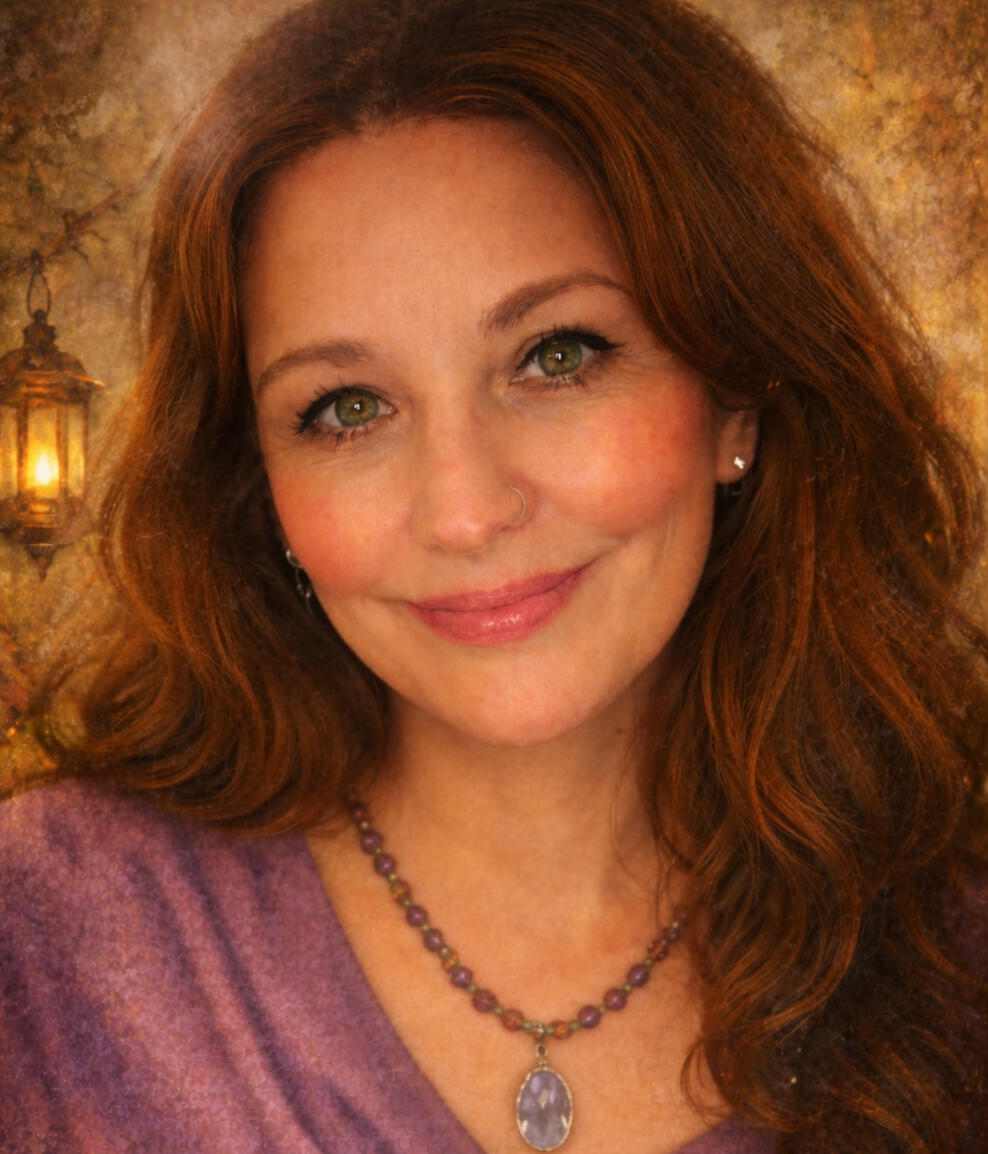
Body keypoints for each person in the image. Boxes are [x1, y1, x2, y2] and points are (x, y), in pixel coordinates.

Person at [1, 1, 984, 1151]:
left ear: (735, 396)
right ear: (258, 483)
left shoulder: (954, 955)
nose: (465, 511)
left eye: (555, 357)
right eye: (347, 408)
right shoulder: (51, 934)